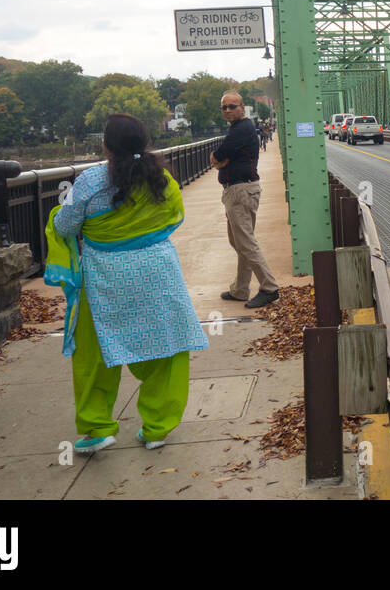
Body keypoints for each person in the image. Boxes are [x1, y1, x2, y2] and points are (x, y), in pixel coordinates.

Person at [45, 114, 208, 454]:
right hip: (157, 272)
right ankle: (158, 427)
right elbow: (174, 217)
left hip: (104, 276)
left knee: (95, 350)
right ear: (144, 142)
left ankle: (97, 428)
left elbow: (64, 225)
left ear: (105, 145)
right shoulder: (161, 178)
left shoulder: (90, 181)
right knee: (166, 345)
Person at [214, 91, 279, 308]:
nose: (228, 110)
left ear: (242, 107)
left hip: (241, 190)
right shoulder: (238, 129)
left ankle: (269, 287)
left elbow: (219, 155)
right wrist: (220, 160)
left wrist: (219, 159)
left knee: (246, 243)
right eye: (224, 107)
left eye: (232, 106)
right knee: (238, 241)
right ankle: (241, 289)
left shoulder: (242, 129)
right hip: (236, 190)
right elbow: (220, 158)